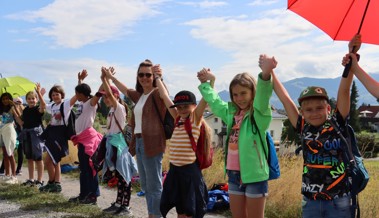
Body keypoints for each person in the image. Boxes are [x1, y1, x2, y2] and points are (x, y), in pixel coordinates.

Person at [265, 52, 354, 217]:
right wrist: (271, 72)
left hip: (339, 199)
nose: (314, 113)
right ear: (302, 112)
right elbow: (285, 99)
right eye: (309, 109)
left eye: (319, 108)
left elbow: (344, 92)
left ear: (329, 109)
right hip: (310, 200)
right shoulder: (303, 126)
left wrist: (350, 66)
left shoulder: (336, 124)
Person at [198, 66, 273, 218]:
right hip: (233, 174)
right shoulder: (231, 114)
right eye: (235, 94)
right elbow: (214, 101)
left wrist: (265, 75)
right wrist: (208, 82)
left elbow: (263, 98)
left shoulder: (259, 116)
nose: (239, 98)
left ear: (253, 92)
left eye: (244, 93)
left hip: (255, 175)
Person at [103, 60, 168, 218]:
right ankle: (151, 214)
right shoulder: (141, 96)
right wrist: (109, 78)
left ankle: (155, 216)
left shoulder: (156, 94)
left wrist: (160, 78)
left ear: (153, 76)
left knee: (154, 186)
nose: (144, 77)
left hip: (152, 143)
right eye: (141, 74)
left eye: (148, 74)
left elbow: (164, 95)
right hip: (139, 143)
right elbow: (125, 89)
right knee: (146, 184)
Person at [156, 67, 213, 218]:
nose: (182, 110)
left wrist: (210, 81)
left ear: (194, 107)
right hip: (175, 171)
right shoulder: (177, 119)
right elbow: (164, 97)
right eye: (179, 107)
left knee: (191, 211)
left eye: (186, 106)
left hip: (189, 172)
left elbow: (206, 98)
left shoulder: (195, 120)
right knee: (180, 210)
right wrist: (157, 78)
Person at [100, 67, 138, 216]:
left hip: (120, 147)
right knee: (119, 176)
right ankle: (118, 203)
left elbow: (110, 93)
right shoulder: (110, 111)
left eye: (108, 97)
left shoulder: (119, 108)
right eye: (104, 97)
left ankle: (126, 206)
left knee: (124, 176)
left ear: (115, 96)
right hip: (113, 145)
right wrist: (105, 80)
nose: (105, 99)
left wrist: (105, 79)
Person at [68, 70, 103, 205]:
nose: (76, 96)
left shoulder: (90, 103)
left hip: (89, 140)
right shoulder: (81, 103)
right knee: (83, 169)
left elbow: (98, 94)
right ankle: (84, 194)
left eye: (77, 94)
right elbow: (81, 91)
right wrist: (80, 81)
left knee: (90, 168)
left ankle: (93, 195)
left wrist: (105, 79)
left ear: (82, 95)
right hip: (81, 140)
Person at [39, 83, 77, 192]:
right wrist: (39, 93)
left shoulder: (65, 105)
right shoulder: (53, 106)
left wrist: (80, 81)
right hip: (52, 133)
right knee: (55, 161)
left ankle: (51, 183)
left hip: (59, 135)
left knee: (47, 161)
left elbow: (76, 97)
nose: (55, 96)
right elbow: (43, 105)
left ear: (62, 95)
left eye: (57, 94)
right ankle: (57, 184)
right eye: (53, 95)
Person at [18, 83, 46, 188]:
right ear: (26, 100)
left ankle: (40, 180)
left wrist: (39, 93)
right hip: (27, 135)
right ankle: (31, 179)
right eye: (29, 99)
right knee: (29, 158)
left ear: (36, 99)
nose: (31, 100)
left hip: (36, 136)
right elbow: (22, 123)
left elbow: (43, 106)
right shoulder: (25, 110)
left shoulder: (38, 109)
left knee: (38, 158)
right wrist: (15, 112)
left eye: (33, 98)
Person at [0, 92, 23, 184]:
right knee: (5, 154)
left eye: (7, 98)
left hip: (9, 130)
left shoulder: (12, 108)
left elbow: (19, 118)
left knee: (10, 154)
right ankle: (7, 174)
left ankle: (14, 176)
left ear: (10, 99)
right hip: (1, 131)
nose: (5, 100)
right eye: (3, 99)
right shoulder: (0, 109)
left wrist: (15, 106)